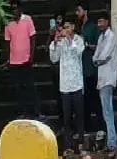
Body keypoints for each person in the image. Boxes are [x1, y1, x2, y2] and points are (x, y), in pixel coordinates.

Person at [50, 19, 87, 150]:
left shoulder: (78, 40)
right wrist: (55, 42)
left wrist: (69, 39)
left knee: (79, 116)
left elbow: (78, 52)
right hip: (65, 86)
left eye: (67, 27)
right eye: (63, 27)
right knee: (66, 119)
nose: (64, 30)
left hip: (77, 84)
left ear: (72, 27)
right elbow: (54, 58)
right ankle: (68, 146)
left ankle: (81, 143)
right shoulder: (60, 41)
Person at [93, 11, 117, 159]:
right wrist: (98, 60)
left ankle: (112, 144)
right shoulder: (100, 38)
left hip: (108, 77)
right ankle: (111, 142)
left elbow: (103, 56)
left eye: (101, 22)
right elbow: (95, 57)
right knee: (106, 113)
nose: (99, 25)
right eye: (98, 22)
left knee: (108, 113)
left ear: (107, 23)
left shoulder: (111, 37)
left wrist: (98, 60)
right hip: (102, 78)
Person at [5, 1, 40, 118]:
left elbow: (33, 37)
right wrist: (8, 58)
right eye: (12, 9)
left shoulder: (28, 19)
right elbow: (7, 41)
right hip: (14, 61)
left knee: (30, 86)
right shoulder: (8, 23)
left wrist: (32, 55)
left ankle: (36, 111)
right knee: (18, 88)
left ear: (20, 9)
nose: (14, 11)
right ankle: (23, 112)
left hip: (26, 59)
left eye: (16, 9)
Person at [76, 4, 102, 134]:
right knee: (84, 100)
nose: (77, 13)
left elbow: (98, 45)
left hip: (91, 68)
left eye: (79, 10)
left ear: (85, 11)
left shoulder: (92, 27)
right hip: (81, 69)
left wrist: (85, 44)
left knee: (95, 99)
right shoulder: (78, 28)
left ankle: (100, 126)